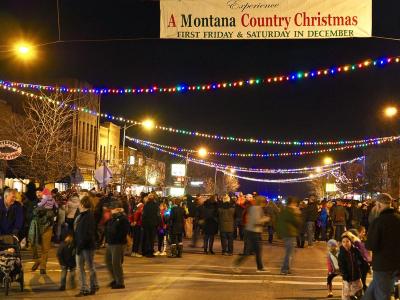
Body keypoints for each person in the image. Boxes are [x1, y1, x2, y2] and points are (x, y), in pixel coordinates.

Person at [364, 193, 400, 300]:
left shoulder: (378, 222)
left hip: (382, 265)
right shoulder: (398, 219)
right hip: (397, 263)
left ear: (379, 205)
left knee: (382, 295)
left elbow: (371, 244)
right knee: (370, 294)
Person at [233, 196, 269, 272]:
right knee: (249, 251)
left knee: (257, 251)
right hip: (253, 232)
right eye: (264, 202)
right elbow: (256, 221)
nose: (265, 204)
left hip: (252, 231)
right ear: (261, 202)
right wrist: (266, 219)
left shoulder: (253, 208)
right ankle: (236, 264)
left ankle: (260, 267)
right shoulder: (257, 209)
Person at [74, 196, 98, 297]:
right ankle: (92, 286)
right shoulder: (84, 215)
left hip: (85, 246)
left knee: (83, 268)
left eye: (79, 203)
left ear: (83, 204)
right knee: (86, 267)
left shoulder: (87, 216)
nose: (78, 205)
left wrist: (79, 246)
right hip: (84, 245)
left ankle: (87, 287)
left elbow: (87, 234)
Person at [31, 188, 57, 275]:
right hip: (36, 227)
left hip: (48, 227)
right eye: (36, 192)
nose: (38, 194)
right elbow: (29, 214)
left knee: (45, 248)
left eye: (39, 192)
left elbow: (55, 212)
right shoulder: (34, 202)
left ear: (43, 193)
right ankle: (37, 260)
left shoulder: (50, 201)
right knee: (33, 244)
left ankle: (43, 267)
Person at [104, 201, 130, 289]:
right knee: (108, 261)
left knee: (116, 263)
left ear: (118, 209)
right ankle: (114, 279)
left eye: (113, 208)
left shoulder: (123, 218)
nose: (111, 210)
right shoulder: (113, 217)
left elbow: (123, 232)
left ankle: (120, 282)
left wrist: (117, 240)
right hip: (110, 243)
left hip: (118, 244)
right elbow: (108, 228)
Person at [276, 196, 302, 275]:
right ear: (292, 203)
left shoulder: (284, 210)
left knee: (289, 252)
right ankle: (284, 269)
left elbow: (279, 222)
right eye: (295, 203)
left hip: (286, 233)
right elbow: (297, 222)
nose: (296, 205)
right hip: (290, 233)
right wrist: (297, 214)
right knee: (289, 253)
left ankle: (286, 268)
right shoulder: (290, 211)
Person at [338, 233, 363, 300]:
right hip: (347, 278)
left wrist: (361, 266)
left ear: (351, 242)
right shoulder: (341, 254)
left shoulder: (355, 250)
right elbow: (341, 266)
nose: (345, 243)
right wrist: (345, 275)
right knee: (346, 294)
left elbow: (361, 260)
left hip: (356, 277)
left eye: (347, 241)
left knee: (358, 291)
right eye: (343, 242)